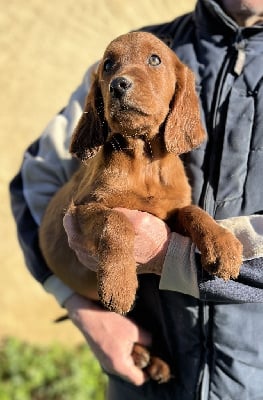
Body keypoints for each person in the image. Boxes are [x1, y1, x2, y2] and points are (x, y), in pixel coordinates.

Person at [10, 0, 263, 398]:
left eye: (151, 63)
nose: (122, 79)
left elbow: (180, 217)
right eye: (111, 71)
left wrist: (172, 255)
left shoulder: (170, 67)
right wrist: (81, 307)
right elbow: (34, 180)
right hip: (140, 374)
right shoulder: (139, 50)